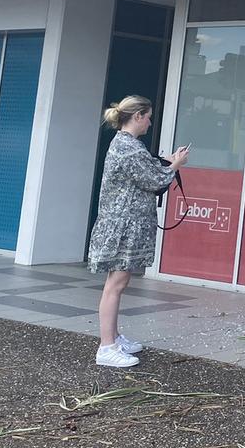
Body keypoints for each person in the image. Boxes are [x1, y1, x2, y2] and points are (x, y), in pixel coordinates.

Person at [87, 96, 188, 368]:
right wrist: (176, 164)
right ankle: (106, 347)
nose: (150, 122)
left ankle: (114, 338)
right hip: (123, 226)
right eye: (148, 116)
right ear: (138, 116)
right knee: (116, 285)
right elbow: (155, 181)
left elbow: (145, 170)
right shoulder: (129, 148)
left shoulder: (127, 145)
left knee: (117, 283)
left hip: (123, 225)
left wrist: (166, 161)